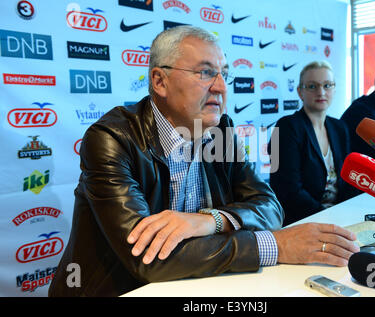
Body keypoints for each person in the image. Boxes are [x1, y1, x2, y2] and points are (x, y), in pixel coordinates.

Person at [48, 26, 359, 297]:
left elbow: (269, 206)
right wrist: (275, 247)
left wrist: (211, 220)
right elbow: (149, 259)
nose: (221, 87)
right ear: (160, 81)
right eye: (205, 72)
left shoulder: (221, 128)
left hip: (192, 285)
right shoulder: (112, 139)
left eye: (224, 73)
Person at [269, 61, 359, 226]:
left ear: (334, 89)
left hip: (339, 219)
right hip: (301, 222)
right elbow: (288, 190)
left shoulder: (340, 127)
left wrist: (348, 214)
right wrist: (330, 218)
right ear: (300, 92)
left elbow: (348, 181)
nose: (321, 92)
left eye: (327, 85)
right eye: (312, 86)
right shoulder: (286, 127)